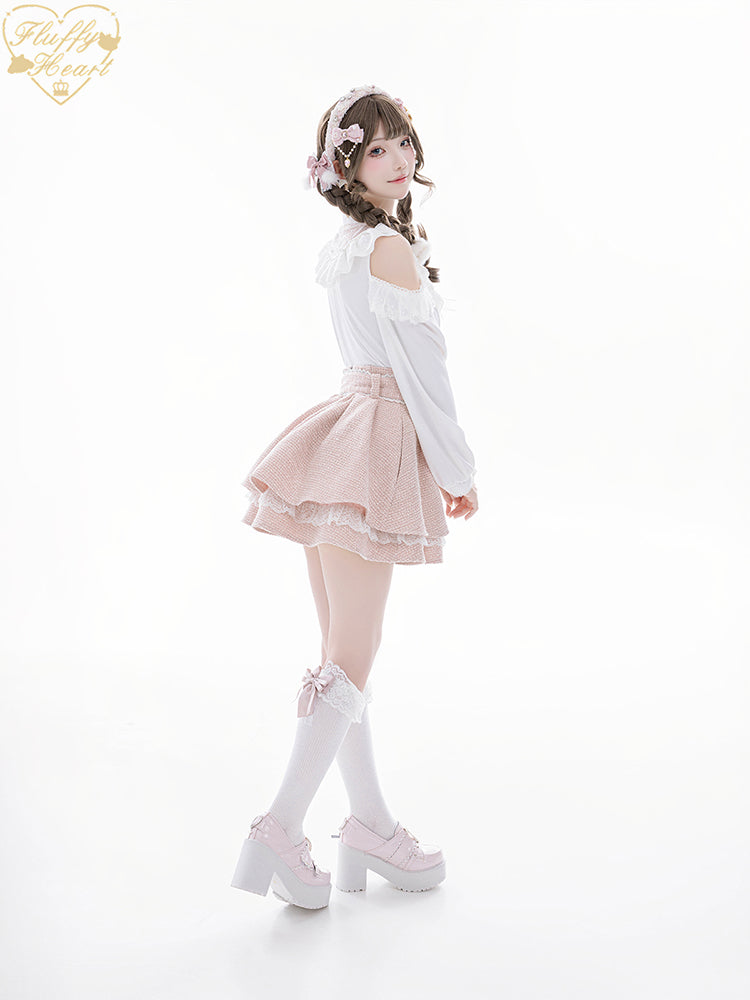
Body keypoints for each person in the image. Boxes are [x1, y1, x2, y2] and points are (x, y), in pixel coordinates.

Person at [230, 84, 479, 909]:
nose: (399, 158)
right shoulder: (388, 250)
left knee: (342, 654)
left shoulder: (348, 246)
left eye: (402, 141)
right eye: (377, 148)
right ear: (346, 165)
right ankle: (280, 826)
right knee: (352, 655)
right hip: (375, 441)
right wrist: (456, 469)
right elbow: (425, 375)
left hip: (342, 434)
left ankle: (369, 825)